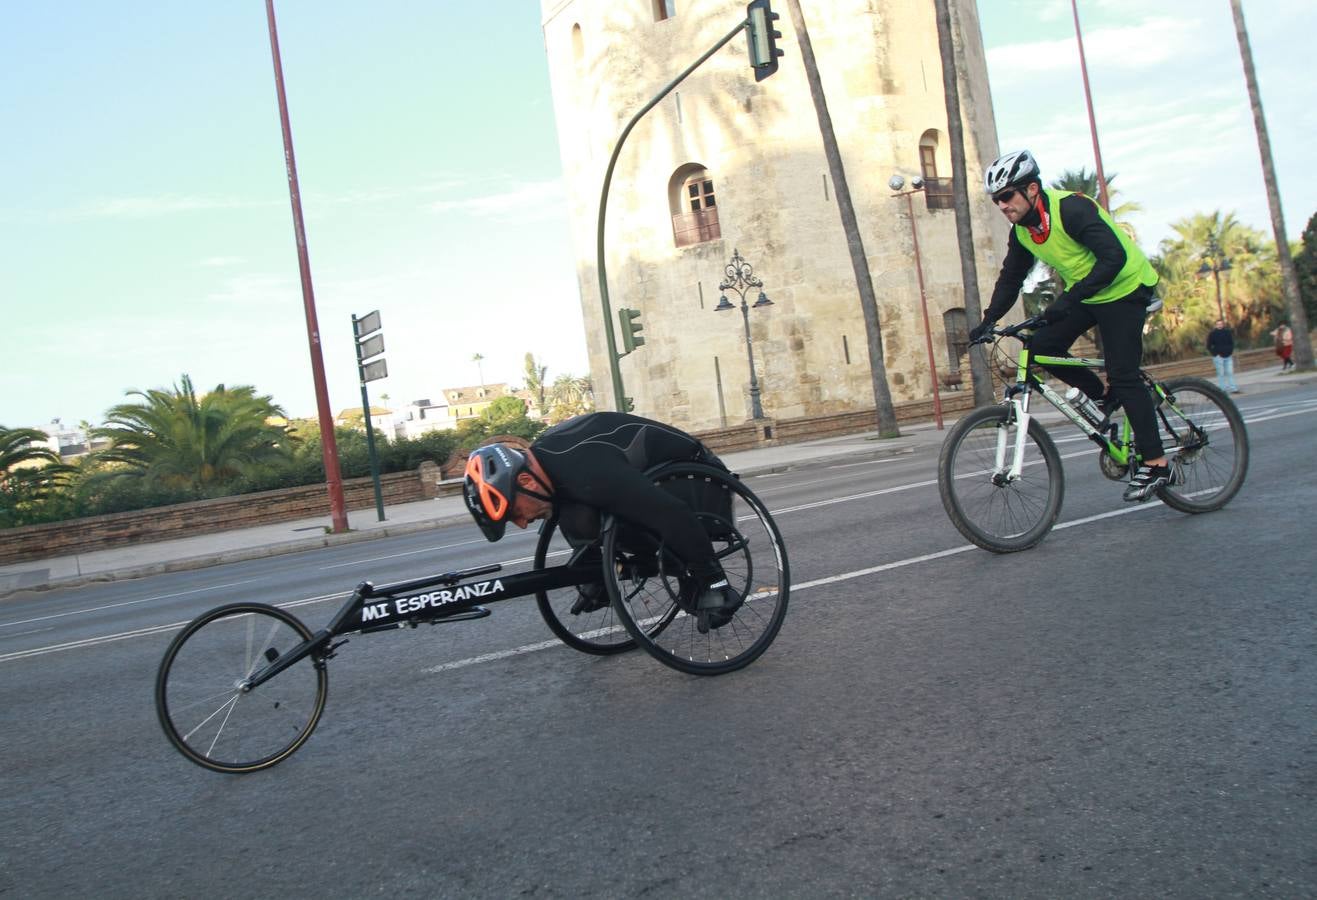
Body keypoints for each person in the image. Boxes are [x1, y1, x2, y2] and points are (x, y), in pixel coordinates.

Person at [971, 149, 1175, 502]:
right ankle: (1103, 402)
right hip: (1090, 295)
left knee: (1124, 374)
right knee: (1040, 348)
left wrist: (1065, 302)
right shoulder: (1022, 231)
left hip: (1126, 288)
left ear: (1032, 189)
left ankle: (1157, 463)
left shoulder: (1072, 209)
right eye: (996, 201)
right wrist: (988, 319)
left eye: (1007, 196)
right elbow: (1012, 278)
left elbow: (1115, 258)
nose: (1002, 205)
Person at [462, 411, 741, 632]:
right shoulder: (550, 465)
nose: (522, 523)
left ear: (525, 481)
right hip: (637, 474)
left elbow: (673, 514)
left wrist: (711, 578)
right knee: (566, 505)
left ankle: (714, 584)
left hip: (696, 474)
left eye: (514, 513)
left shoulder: (586, 474)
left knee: (636, 512)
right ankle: (598, 573)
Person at [1206, 318, 1241, 393]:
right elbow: (1209, 346)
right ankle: (1222, 389)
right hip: (1218, 357)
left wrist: (1230, 351)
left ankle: (1233, 388)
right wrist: (1215, 354)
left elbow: (1231, 343)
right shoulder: (1212, 334)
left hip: (1228, 356)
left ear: (1223, 324)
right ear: (1215, 325)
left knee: (1230, 373)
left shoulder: (1227, 332)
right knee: (1221, 374)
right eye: (1218, 324)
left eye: (1221, 324)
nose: (1219, 325)